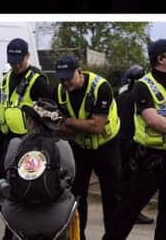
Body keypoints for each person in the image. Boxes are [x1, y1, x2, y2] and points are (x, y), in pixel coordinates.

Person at [53, 56, 120, 240]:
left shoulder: (101, 87)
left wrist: (67, 122)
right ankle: (77, 236)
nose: (65, 82)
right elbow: (59, 130)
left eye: (69, 77)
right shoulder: (59, 91)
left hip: (107, 147)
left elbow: (96, 126)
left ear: (79, 72)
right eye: (61, 78)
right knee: (76, 196)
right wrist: (70, 126)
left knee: (112, 197)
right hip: (80, 147)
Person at [0, 38, 52, 240]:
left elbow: (48, 118)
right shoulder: (6, 78)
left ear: (27, 56)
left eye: (19, 59)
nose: (15, 64)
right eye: (12, 60)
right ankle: (9, 234)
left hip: (31, 145)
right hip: (9, 143)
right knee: (10, 194)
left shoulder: (38, 81)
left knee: (27, 193)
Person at [0, 99, 76, 240]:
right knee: (70, 196)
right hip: (55, 220)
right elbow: (71, 176)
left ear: (32, 122)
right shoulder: (63, 146)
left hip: (18, 219)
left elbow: (8, 173)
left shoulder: (15, 144)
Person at [115, 39, 166, 239]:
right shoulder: (144, 86)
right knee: (127, 212)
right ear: (161, 59)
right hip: (148, 161)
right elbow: (153, 120)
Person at [117, 64, 154, 225]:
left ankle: (123, 212)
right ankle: (132, 214)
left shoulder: (122, 96)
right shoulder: (137, 95)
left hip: (121, 141)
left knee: (125, 178)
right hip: (134, 142)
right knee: (135, 182)